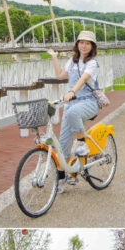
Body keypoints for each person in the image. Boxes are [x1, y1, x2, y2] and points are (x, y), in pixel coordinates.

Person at [46, 30, 102, 186]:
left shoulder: (92, 63)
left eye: (87, 43)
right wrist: (54, 57)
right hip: (72, 104)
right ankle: (63, 179)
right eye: (81, 42)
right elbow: (60, 76)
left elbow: (84, 79)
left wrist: (71, 91)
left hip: (89, 102)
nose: (84, 46)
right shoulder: (72, 61)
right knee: (62, 145)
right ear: (77, 44)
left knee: (71, 112)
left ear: (92, 46)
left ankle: (82, 143)